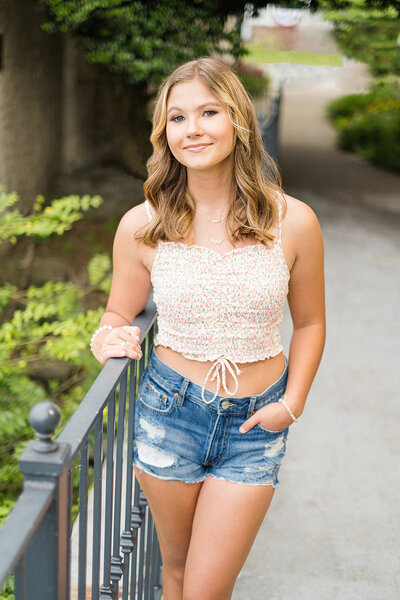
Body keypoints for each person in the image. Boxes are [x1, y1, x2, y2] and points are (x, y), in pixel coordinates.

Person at [91, 56, 325, 600]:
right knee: (175, 573)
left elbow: (310, 323)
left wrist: (292, 403)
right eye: (177, 118)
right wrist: (108, 337)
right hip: (169, 415)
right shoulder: (142, 226)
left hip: (255, 425)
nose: (192, 129)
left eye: (209, 112)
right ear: (163, 131)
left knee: (206, 588)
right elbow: (116, 314)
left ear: (238, 121)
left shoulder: (293, 221)